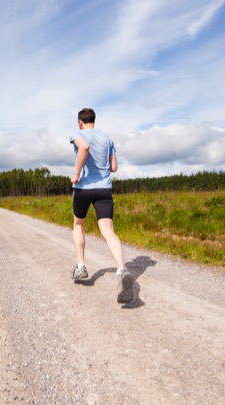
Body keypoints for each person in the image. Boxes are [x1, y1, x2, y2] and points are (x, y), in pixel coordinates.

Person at [69, 108, 133, 304]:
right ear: (93, 121)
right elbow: (113, 167)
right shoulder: (107, 138)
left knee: (79, 224)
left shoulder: (78, 134)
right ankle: (122, 270)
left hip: (83, 188)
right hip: (104, 189)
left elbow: (84, 147)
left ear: (80, 122)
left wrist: (77, 173)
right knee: (108, 231)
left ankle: (81, 267)